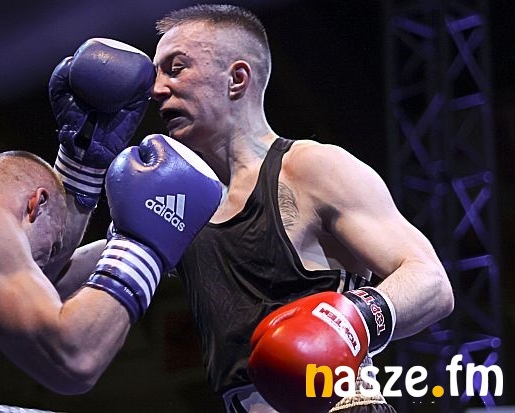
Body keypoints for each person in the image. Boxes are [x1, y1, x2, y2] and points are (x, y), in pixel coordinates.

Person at [151, 4, 454, 413]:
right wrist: (80, 170)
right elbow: (72, 284)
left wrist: (349, 322)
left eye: (176, 69)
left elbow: (431, 282)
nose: (157, 89)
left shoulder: (310, 168)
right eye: (155, 74)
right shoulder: (178, 205)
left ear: (237, 78)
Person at [0, 37, 222, 413]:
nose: (39, 268)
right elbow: (73, 359)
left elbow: (40, 288)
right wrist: (141, 250)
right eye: (48, 248)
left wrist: (87, 172)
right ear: (35, 203)